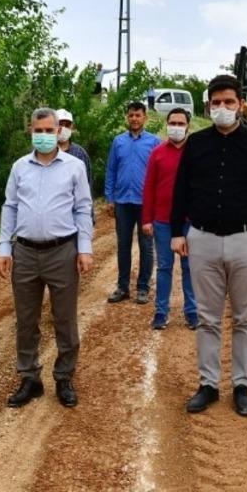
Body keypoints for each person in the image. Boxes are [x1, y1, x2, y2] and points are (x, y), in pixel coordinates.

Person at [170, 75, 247, 417]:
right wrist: (177, 232)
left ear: (241, 106)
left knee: (246, 317)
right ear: (208, 106)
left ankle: (243, 385)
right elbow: (181, 191)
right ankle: (208, 384)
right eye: (216, 103)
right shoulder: (196, 145)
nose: (222, 108)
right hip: (202, 239)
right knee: (207, 318)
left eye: (229, 102)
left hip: (246, 240)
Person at [0, 108, 94, 409]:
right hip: (24, 252)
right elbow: (10, 207)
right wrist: (3, 248)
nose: (44, 135)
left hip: (62, 251)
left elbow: (82, 208)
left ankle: (64, 377)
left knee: (64, 319)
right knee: (26, 320)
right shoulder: (19, 168)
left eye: (49, 130)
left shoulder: (74, 167)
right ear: (31, 132)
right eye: (38, 130)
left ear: (58, 132)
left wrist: (84, 247)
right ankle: (30, 378)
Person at [140, 108, 197, 330]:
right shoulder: (157, 153)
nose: (176, 127)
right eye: (172, 122)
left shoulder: (194, 152)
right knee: (164, 267)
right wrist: (147, 219)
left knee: (189, 267)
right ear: (166, 124)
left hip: (189, 220)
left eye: (180, 123)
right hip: (162, 221)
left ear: (188, 126)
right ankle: (161, 312)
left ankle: (192, 312)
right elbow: (149, 188)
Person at [105, 101, 159, 304]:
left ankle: (143, 287)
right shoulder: (118, 142)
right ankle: (122, 287)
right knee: (123, 245)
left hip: (145, 203)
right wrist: (109, 198)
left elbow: (159, 174)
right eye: (131, 115)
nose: (134, 119)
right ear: (127, 118)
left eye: (138, 115)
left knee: (146, 246)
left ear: (145, 118)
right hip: (122, 202)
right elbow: (111, 170)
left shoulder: (154, 143)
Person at [55, 108, 92, 185]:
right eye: (60, 124)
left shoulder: (80, 154)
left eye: (67, 125)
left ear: (72, 127)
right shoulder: (45, 152)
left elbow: (87, 182)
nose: (63, 128)